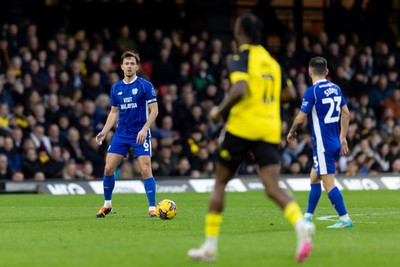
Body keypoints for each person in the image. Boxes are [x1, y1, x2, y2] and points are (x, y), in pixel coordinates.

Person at [188, 13, 315, 263]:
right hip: (268, 129)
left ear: (240, 32)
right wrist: (265, 101)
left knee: (220, 183)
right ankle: (301, 226)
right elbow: (289, 93)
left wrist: (218, 112)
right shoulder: (271, 61)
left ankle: (210, 247)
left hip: (242, 127)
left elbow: (240, 89)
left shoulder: (239, 57)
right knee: (272, 187)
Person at [287, 56, 353, 229]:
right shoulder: (336, 88)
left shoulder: (312, 91)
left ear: (309, 73)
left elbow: (301, 118)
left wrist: (292, 131)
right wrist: (343, 136)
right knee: (314, 177)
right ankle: (307, 216)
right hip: (334, 141)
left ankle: (345, 219)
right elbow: (346, 113)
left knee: (328, 183)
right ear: (327, 72)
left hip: (323, 145)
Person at [95, 51, 158, 218]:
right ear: (122, 66)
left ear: (137, 66)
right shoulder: (116, 88)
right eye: (126, 63)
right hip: (122, 133)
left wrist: (144, 129)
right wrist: (104, 131)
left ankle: (152, 207)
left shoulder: (145, 86)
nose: (129, 66)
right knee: (108, 168)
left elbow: (154, 110)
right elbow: (114, 113)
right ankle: (107, 205)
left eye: (132, 63)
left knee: (145, 169)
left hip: (140, 132)